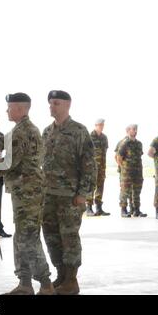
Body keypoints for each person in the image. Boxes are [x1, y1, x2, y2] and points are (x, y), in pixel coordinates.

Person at [0, 93, 53, 295]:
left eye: (10, 107)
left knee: (27, 237)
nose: (7, 111)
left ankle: (44, 283)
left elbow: (9, 163)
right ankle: (26, 283)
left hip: (27, 192)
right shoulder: (29, 130)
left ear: (21, 109)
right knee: (24, 236)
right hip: (27, 190)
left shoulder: (21, 132)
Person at [42, 90, 96, 295]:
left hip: (70, 196)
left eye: (56, 103)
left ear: (67, 105)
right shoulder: (47, 131)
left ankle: (72, 280)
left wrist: (83, 193)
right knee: (51, 237)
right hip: (48, 195)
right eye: (50, 103)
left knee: (69, 237)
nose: (51, 106)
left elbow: (89, 165)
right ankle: (61, 275)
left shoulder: (79, 131)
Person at [116, 124, 147, 218]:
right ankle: (124, 210)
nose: (135, 131)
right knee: (125, 190)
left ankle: (136, 209)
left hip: (137, 172)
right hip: (127, 172)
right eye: (133, 129)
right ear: (128, 131)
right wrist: (124, 168)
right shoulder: (124, 143)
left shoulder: (139, 144)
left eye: (136, 129)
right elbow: (118, 157)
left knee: (137, 190)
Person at [86, 119, 110, 216]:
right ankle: (88, 207)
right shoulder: (89, 136)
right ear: (95, 125)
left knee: (100, 186)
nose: (101, 126)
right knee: (91, 186)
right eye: (99, 125)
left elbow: (105, 151)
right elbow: (85, 151)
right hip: (92, 166)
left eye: (102, 125)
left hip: (102, 166)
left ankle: (99, 207)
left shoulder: (104, 137)